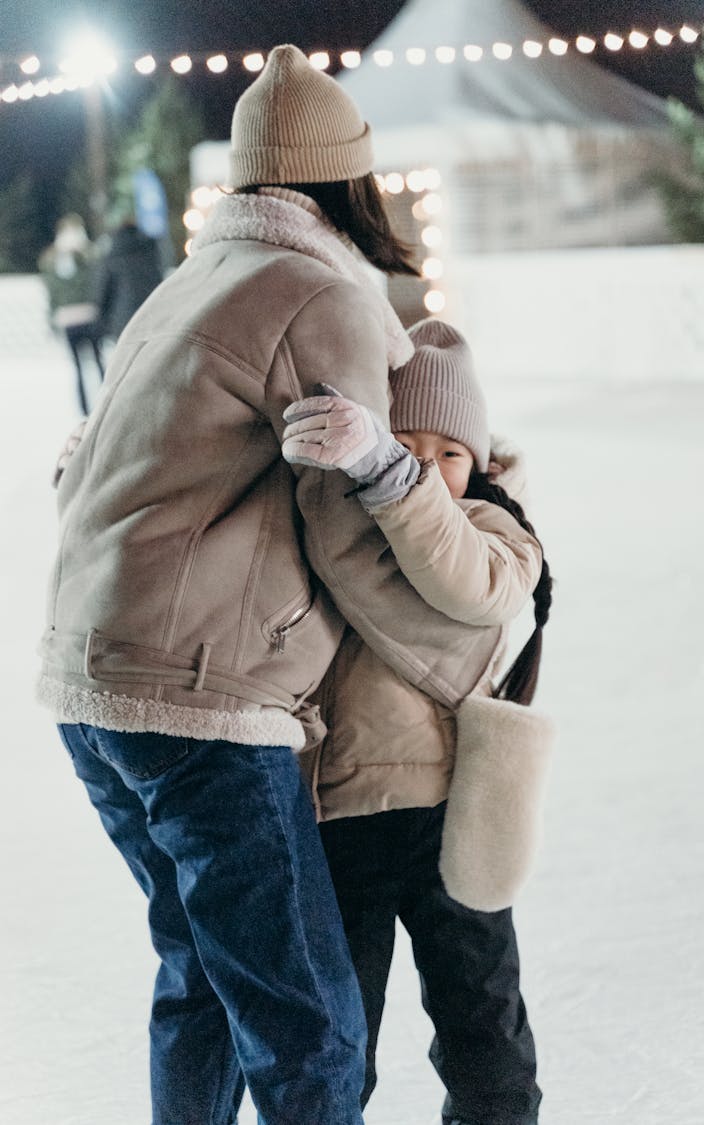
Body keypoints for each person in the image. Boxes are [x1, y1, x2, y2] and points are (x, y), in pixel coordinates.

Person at [38, 46, 517, 1125]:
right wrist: (469, 654)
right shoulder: (319, 295)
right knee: (310, 1030)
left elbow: (88, 482)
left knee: (201, 978)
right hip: (201, 703)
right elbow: (353, 544)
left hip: (87, 688)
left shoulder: (185, 282)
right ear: (351, 179)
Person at [282, 319, 552, 1125]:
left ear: (485, 464)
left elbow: (473, 584)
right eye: (406, 443)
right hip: (339, 815)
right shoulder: (335, 520)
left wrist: (394, 474)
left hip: (450, 814)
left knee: (483, 1026)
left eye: (450, 455)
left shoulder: (500, 532)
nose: (427, 470)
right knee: (338, 1036)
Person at [38, 212, 105, 413]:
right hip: (89, 315)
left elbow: (52, 294)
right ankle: (103, 403)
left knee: (80, 367)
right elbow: (97, 281)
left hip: (68, 319)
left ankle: (85, 408)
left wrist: (52, 320)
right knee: (98, 362)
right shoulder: (87, 255)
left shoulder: (52, 259)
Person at [96, 218, 163, 341]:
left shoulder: (112, 258)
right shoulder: (149, 254)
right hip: (151, 315)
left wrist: (103, 321)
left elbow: (104, 292)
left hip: (124, 320)